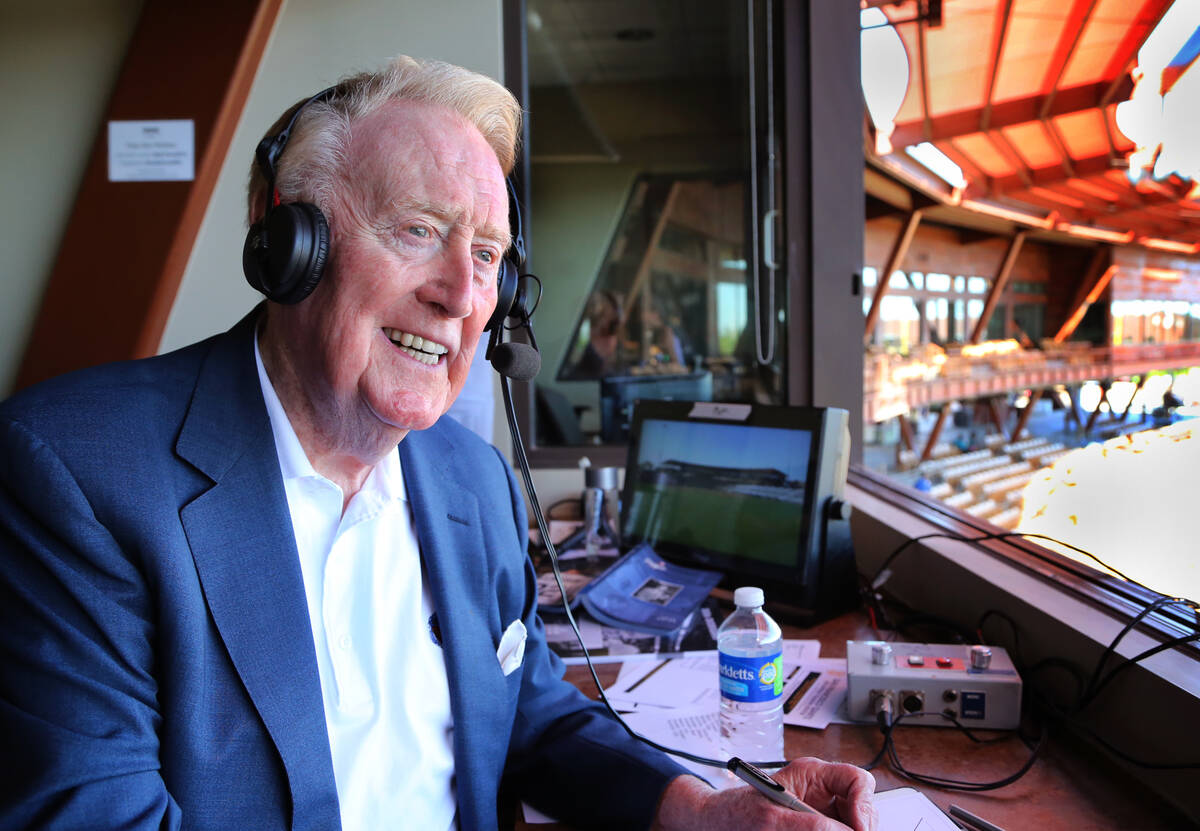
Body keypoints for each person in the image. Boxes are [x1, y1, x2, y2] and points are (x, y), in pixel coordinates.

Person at [0, 56, 876, 831]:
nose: (462, 294)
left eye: (489, 255)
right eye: (419, 230)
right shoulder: (77, 473)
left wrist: (697, 808)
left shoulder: (473, 481)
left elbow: (526, 711)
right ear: (290, 245)